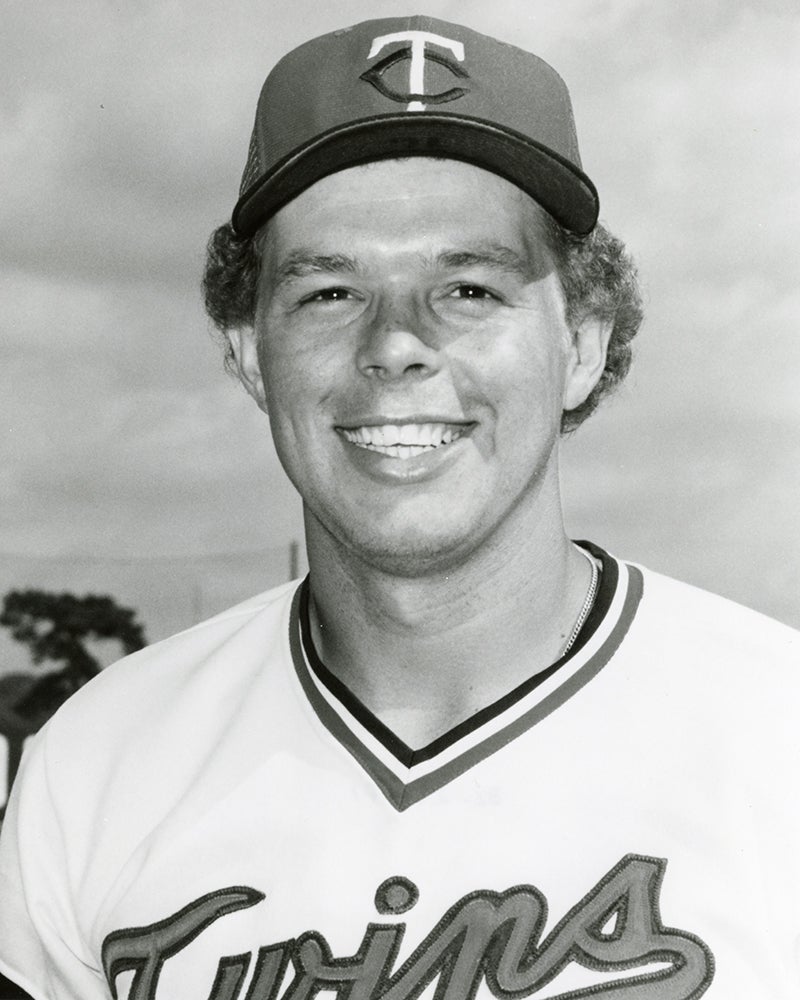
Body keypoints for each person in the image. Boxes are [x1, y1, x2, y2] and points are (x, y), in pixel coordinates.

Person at [0, 14, 797, 1000]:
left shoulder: (777, 741)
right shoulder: (98, 764)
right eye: (330, 293)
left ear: (581, 344)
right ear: (251, 353)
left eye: (465, 286)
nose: (395, 345)